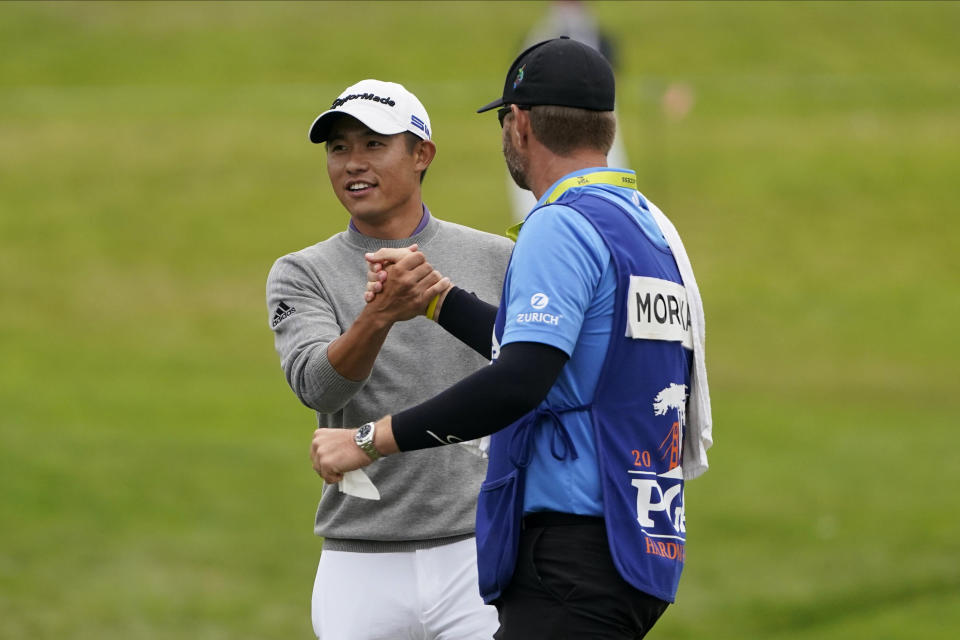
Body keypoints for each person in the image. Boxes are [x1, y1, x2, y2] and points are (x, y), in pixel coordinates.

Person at [310, 38, 713, 639]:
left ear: (519, 124)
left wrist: (369, 440)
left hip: (570, 548)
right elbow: (573, 355)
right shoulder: (645, 224)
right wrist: (440, 301)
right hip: (641, 536)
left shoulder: (560, 223)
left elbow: (522, 378)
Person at [266, 78, 512, 640]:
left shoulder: (498, 258)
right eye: (339, 148)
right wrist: (380, 316)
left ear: (422, 154)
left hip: (478, 549)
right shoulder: (302, 272)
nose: (353, 163)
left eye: (374, 144)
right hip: (360, 557)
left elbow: (528, 376)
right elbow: (318, 388)